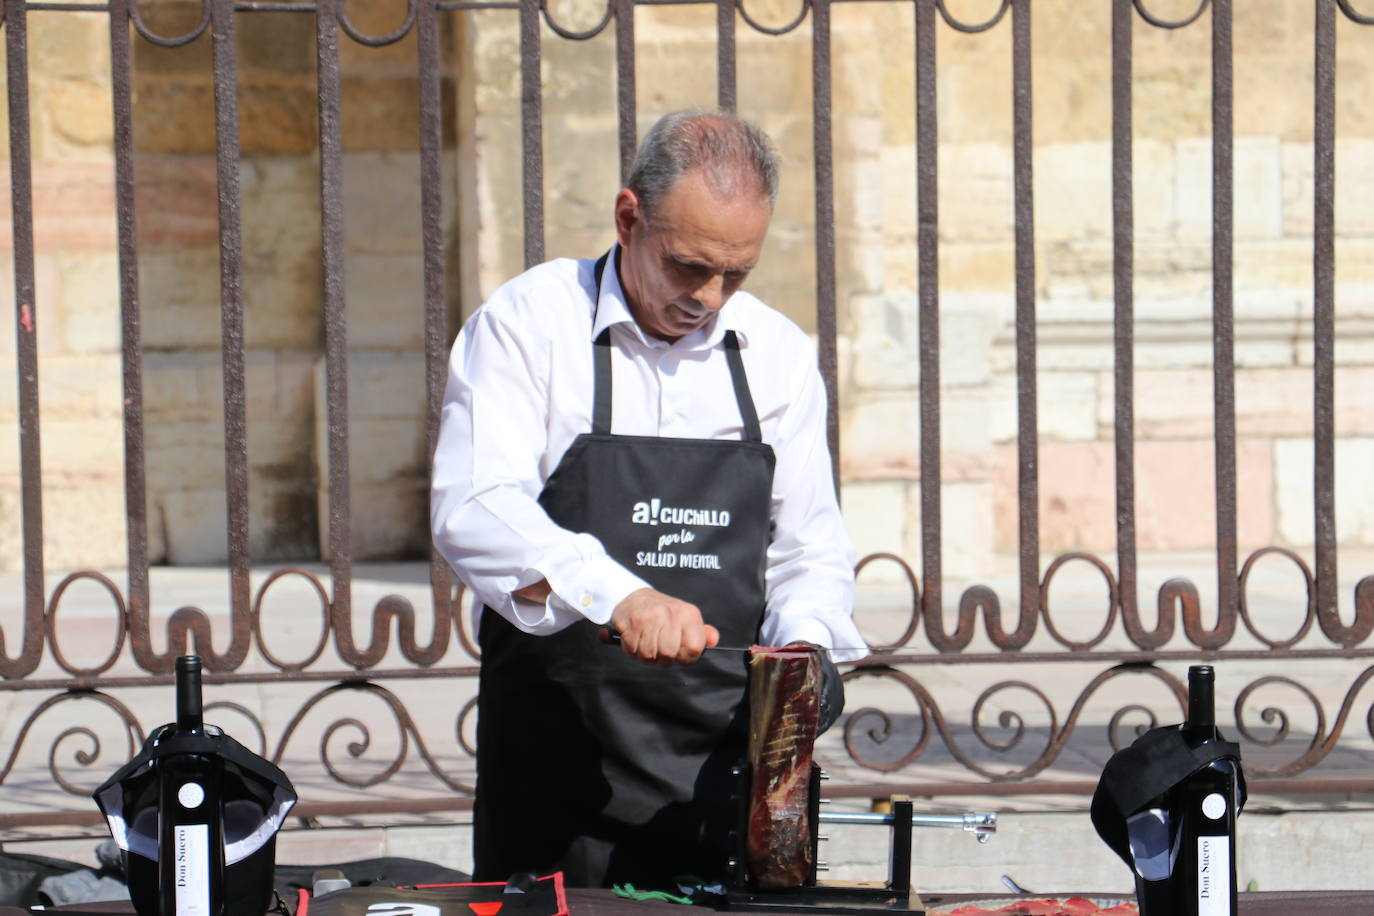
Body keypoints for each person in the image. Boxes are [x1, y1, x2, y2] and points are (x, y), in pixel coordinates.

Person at [430, 110, 868, 888]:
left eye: (736, 274)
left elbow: (809, 546)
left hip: (722, 771)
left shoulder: (780, 357)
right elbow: (474, 503)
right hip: (556, 763)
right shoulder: (531, 324)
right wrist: (619, 595)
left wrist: (802, 653)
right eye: (688, 266)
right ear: (628, 218)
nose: (709, 297)